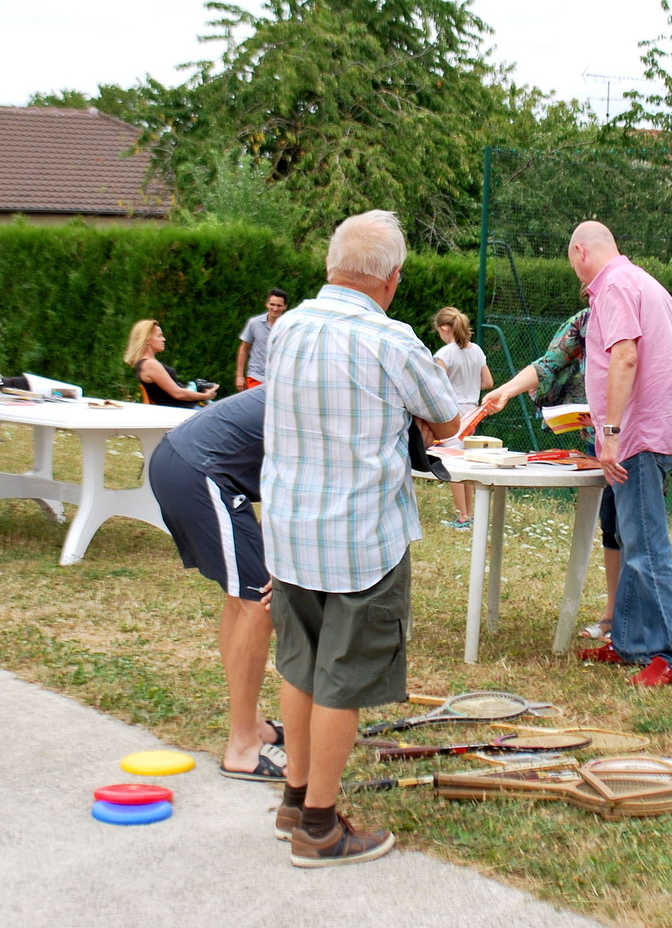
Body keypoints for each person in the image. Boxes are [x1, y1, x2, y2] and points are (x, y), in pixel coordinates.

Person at [261, 210, 460, 868]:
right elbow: (447, 417)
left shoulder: (286, 328)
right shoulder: (392, 339)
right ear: (392, 279)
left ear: (329, 266)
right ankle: (318, 827)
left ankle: (294, 797)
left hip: (290, 529)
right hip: (360, 539)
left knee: (300, 665)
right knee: (341, 680)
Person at [482, 308, 672, 640]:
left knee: (641, 531)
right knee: (612, 523)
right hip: (601, 440)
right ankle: (615, 617)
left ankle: (648, 630)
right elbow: (549, 364)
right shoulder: (585, 320)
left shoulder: (650, 315)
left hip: (646, 438)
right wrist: (506, 390)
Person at [567, 221, 672, 688]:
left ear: (581, 251)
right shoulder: (648, 284)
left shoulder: (613, 287)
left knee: (647, 549)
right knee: (633, 542)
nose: (577, 276)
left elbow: (625, 357)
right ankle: (628, 643)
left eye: (573, 264)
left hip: (636, 438)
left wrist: (610, 434)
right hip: (650, 432)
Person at [147, 387, 284, 779]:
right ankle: (242, 748)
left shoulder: (314, 378)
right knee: (260, 604)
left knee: (243, 600)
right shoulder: (335, 400)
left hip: (185, 462)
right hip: (202, 471)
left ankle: (253, 725)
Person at [430, 306, 491, 529]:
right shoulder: (476, 350)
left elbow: (438, 388)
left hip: (452, 412)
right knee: (465, 461)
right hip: (472, 411)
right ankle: (469, 514)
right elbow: (487, 382)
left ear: (445, 328)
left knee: (452, 463)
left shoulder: (443, 355)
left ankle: (462, 517)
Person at [124, 319, 216, 408]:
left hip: (182, 409)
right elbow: (178, 393)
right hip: (183, 411)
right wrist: (206, 396)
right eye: (159, 336)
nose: (164, 339)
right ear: (147, 339)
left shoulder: (145, 364)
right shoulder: (150, 364)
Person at [235, 288, 288, 390]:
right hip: (256, 376)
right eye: (272, 304)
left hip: (279, 379)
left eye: (279, 305)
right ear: (267, 304)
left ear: (285, 306)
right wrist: (239, 376)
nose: (275, 309)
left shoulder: (289, 327)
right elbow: (244, 348)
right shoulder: (254, 323)